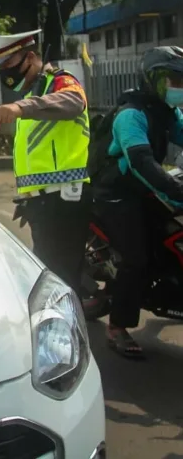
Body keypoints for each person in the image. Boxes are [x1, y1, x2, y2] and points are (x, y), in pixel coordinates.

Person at [0, 29, 91, 299]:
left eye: (9, 64)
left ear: (30, 58)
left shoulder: (60, 83)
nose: (6, 72)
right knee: (51, 276)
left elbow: (75, 101)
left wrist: (22, 108)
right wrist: (27, 197)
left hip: (65, 200)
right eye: (2, 67)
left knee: (59, 284)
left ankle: (70, 339)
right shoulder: (35, 93)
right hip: (43, 203)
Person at [88, 46, 183, 359]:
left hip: (143, 186)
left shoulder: (168, 112)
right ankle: (118, 327)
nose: (178, 87)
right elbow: (142, 163)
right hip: (116, 192)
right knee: (136, 257)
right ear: (152, 79)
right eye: (172, 80)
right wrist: (176, 192)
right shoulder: (131, 115)